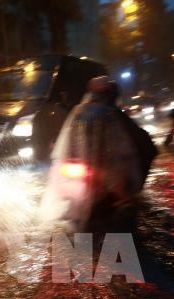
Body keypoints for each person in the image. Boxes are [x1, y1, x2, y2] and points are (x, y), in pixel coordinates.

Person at [41, 76, 156, 226]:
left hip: (78, 164)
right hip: (102, 166)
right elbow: (131, 140)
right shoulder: (111, 112)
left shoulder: (78, 110)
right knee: (124, 197)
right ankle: (124, 202)